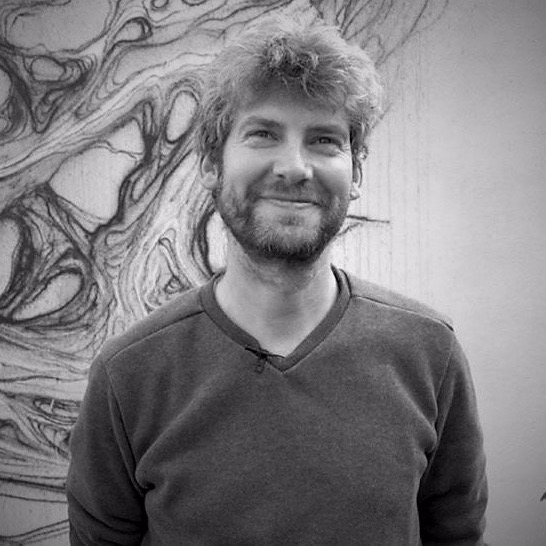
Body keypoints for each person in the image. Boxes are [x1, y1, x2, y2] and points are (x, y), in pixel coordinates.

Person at [66, 12, 488, 545]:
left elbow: (458, 535)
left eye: (324, 140)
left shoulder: (430, 353)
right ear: (211, 164)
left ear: (356, 172)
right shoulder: (128, 375)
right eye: (263, 134)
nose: (294, 167)